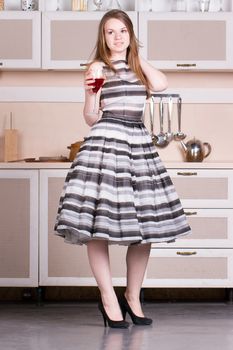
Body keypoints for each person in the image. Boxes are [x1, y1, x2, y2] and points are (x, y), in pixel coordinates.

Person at [55, 9, 191, 329]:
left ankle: (132, 296)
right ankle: (107, 298)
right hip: (107, 141)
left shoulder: (138, 67)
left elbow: (161, 83)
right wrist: (91, 94)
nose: (117, 37)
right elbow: (90, 117)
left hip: (138, 144)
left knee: (145, 227)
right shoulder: (97, 67)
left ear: (131, 34)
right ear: (102, 38)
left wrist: (136, 56)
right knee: (97, 226)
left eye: (122, 31)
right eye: (110, 32)